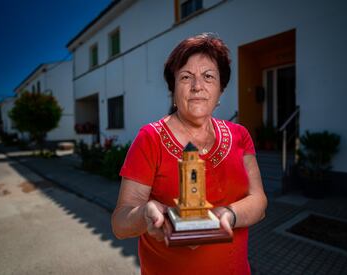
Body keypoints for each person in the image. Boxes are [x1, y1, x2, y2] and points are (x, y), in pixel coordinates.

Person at [111, 33, 267, 275]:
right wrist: (145, 213)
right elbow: (120, 224)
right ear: (173, 88)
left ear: (220, 90)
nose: (197, 87)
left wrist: (228, 215)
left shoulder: (240, 135)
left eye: (208, 77)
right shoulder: (150, 138)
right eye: (186, 77)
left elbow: (259, 202)